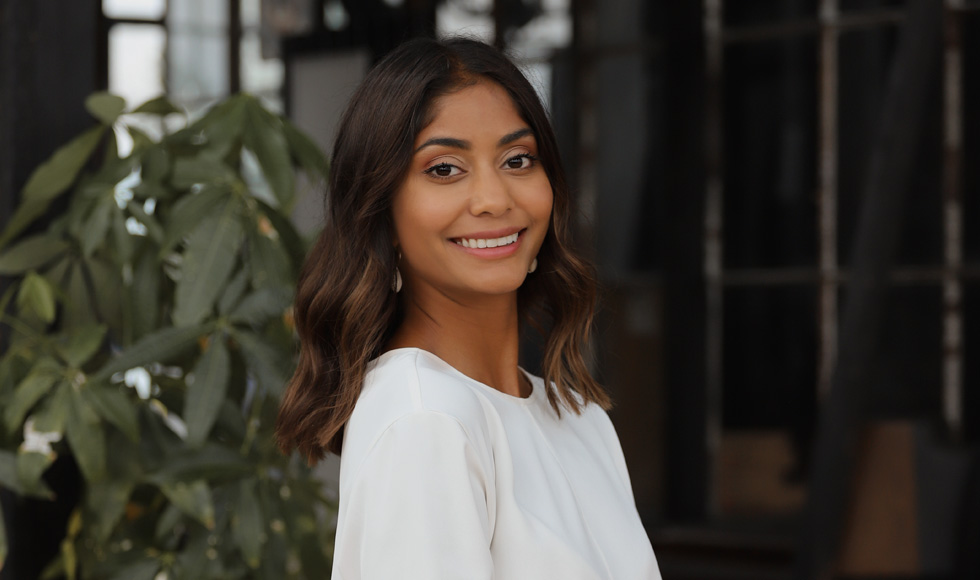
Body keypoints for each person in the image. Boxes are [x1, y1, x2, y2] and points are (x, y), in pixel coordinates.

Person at [276, 37, 661, 579]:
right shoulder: (425, 419)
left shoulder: (579, 419)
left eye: (517, 159)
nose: (494, 198)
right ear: (380, 211)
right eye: (444, 169)